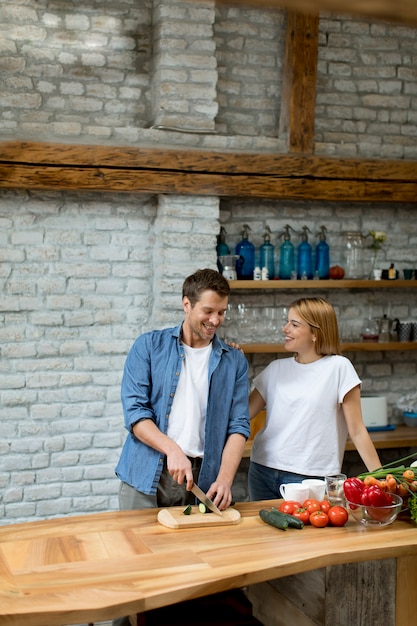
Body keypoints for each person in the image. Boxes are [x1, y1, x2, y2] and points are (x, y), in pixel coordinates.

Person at [115, 267, 250, 512]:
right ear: (186, 304)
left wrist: (225, 479)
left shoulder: (235, 361)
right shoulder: (148, 347)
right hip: (146, 473)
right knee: (136, 548)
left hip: (203, 480)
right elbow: (135, 413)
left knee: (195, 550)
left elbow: (238, 425)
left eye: (221, 312)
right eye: (208, 311)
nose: (216, 320)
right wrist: (172, 449)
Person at [248, 296, 381, 501]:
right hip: (262, 469)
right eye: (287, 322)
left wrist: (380, 478)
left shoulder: (339, 368)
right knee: (263, 533)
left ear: (315, 333)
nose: (285, 329)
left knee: (308, 533)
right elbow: (242, 414)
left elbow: (357, 430)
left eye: (294, 324)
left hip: (310, 477)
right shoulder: (275, 369)